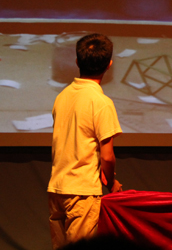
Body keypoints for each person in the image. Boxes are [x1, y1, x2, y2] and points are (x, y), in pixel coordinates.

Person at [47, 33, 123, 249]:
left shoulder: (62, 96)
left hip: (57, 188)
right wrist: (112, 183)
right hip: (82, 191)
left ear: (77, 61)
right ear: (109, 65)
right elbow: (107, 156)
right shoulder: (101, 102)